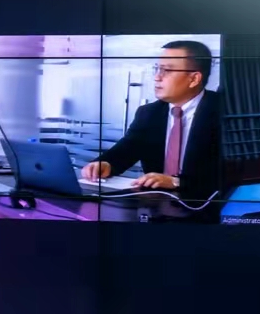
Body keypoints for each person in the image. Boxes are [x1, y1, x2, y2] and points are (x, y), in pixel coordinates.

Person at [81, 41, 220, 199]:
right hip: (154, 205)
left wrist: (177, 182)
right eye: (157, 69)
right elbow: (126, 150)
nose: (157, 77)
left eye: (167, 70)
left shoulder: (224, 112)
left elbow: (229, 175)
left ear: (194, 79)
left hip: (209, 206)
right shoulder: (149, 113)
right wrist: (106, 164)